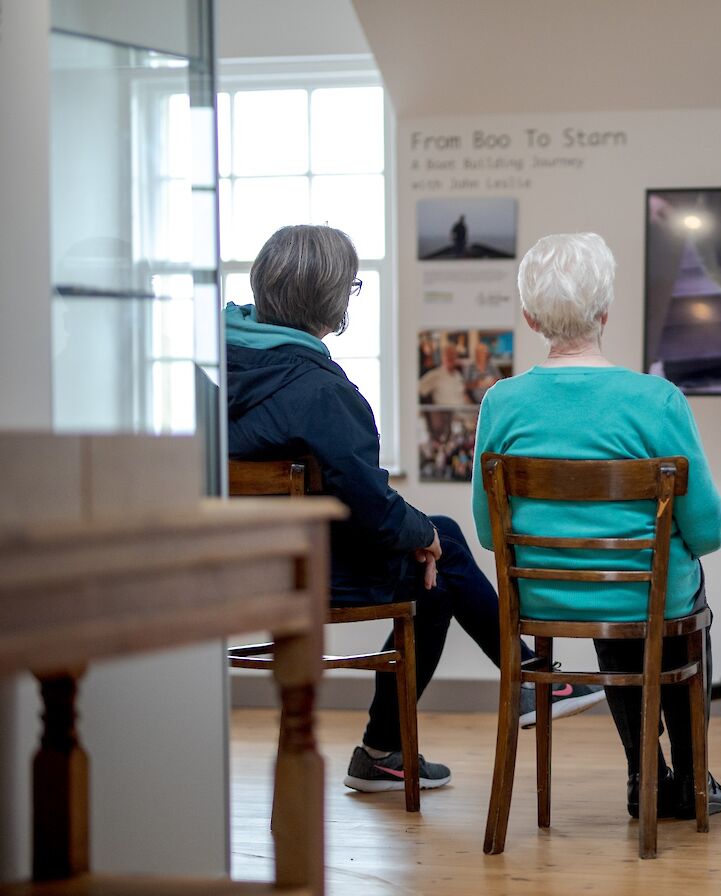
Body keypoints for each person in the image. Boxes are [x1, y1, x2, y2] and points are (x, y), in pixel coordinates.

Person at [225, 224, 604, 795]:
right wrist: (422, 533)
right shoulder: (320, 390)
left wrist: (419, 534)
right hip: (305, 575)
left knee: (437, 549)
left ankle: (397, 745)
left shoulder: (214, 366)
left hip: (232, 569)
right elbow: (370, 509)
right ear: (331, 300)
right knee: (443, 553)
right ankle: (522, 680)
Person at [471, 232, 721, 819]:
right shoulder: (655, 400)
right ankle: (692, 778)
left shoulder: (501, 402)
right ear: (606, 312)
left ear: (531, 316)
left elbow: (489, 533)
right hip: (645, 596)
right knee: (664, 592)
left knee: (608, 597)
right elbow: (709, 530)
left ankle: (645, 775)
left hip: (544, 599)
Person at [417, 339, 470, 405]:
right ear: (442, 357)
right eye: (448, 354)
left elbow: (463, 395)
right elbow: (416, 390)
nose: (451, 357)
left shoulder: (458, 375)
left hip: (465, 412)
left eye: (453, 355)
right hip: (448, 414)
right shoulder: (435, 375)